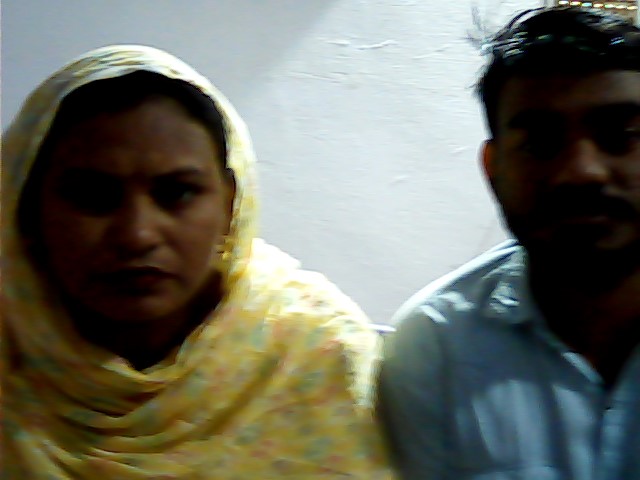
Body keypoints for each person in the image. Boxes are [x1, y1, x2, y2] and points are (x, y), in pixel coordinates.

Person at [1, 45, 396, 479]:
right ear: (25, 208)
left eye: (177, 193)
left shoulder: (314, 351)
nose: (137, 235)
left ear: (231, 203)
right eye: (93, 196)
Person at [378, 7, 640, 480]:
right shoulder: (436, 347)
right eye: (540, 144)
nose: (583, 171)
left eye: (622, 137)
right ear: (493, 168)